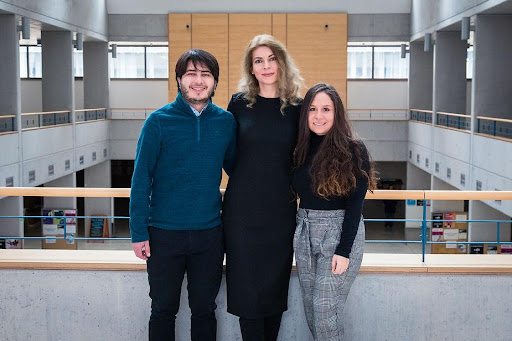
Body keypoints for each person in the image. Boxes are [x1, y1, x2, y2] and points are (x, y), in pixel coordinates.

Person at [129, 49, 236, 341]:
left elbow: (240, 170)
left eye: (205, 74)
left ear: (215, 82)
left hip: (210, 234)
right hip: (163, 234)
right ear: (179, 79)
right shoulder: (158, 121)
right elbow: (140, 180)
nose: (198, 81)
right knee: (163, 309)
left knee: (205, 309)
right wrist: (138, 232)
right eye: (191, 73)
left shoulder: (226, 122)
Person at [222, 34, 304, 340]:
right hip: (242, 212)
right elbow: (229, 156)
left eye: (271, 59)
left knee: (273, 290)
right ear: (251, 68)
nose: (266, 66)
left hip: (280, 212)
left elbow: (303, 156)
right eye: (259, 61)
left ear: (281, 63)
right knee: (247, 292)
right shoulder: (239, 104)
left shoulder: (298, 107)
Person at [292, 83, 377, 340]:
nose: (319, 116)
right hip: (305, 230)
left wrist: (344, 250)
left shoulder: (354, 149)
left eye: (326, 109)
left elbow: (355, 205)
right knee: (311, 308)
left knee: (325, 308)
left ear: (337, 113)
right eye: (313, 109)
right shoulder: (299, 149)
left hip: (338, 233)